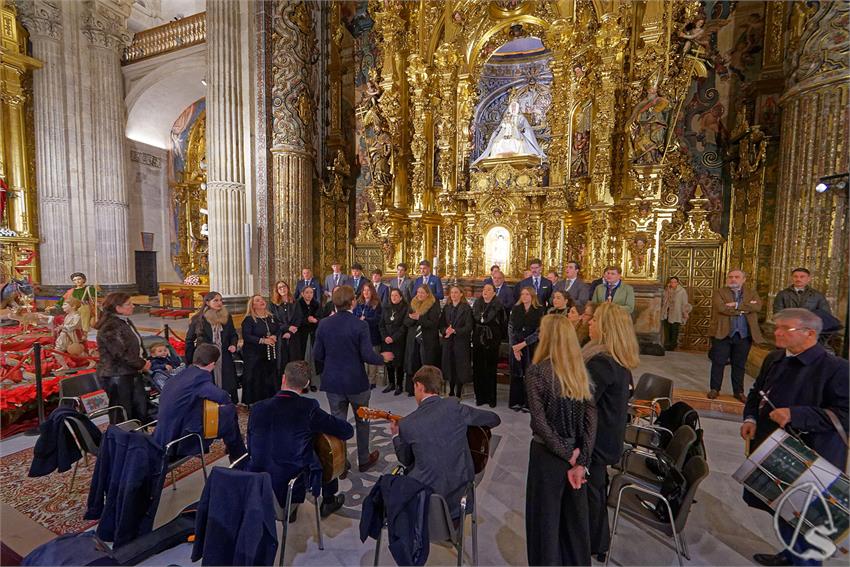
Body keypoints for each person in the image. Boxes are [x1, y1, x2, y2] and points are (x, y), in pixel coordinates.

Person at [741, 308, 848, 567]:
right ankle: (789, 554)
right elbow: (757, 392)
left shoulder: (836, 368)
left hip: (813, 454)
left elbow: (845, 415)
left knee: (807, 519)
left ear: (809, 333)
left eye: (784, 329)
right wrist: (751, 418)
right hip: (775, 447)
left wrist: (796, 414)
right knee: (782, 508)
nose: (776, 333)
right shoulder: (774, 358)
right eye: (776, 327)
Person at [524, 315, 597, 566]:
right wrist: (581, 459)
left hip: (548, 457)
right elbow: (591, 419)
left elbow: (539, 423)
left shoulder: (536, 372)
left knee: (545, 522)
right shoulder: (579, 371)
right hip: (576, 455)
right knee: (573, 524)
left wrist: (566, 453)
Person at [390, 365, 500, 519]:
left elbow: (405, 459)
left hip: (424, 507)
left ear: (419, 386)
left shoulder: (407, 424)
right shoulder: (453, 407)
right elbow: (494, 419)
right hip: (460, 501)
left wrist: (395, 435)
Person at [248, 361, 353, 519]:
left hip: (254, 479)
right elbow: (346, 431)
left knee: (288, 441)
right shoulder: (308, 407)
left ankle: (293, 511)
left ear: (283, 378)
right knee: (326, 446)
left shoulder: (257, 408)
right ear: (306, 384)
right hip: (289, 484)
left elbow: (250, 443)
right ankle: (329, 500)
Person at [582, 302, 640, 562]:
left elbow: (584, 401)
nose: (589, 322)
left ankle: (595, 542)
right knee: (595, 488)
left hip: (597, 441)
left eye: (594, 319)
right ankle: (596, 539)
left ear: (605, 328)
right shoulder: (614, 359)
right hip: (608, 437)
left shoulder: (602, 363)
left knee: (592, 492)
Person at [313, 285, 392, 474]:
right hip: (356, 382)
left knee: (337, 424)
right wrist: (383, 358)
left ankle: (341, 463)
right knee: (363, 421)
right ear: (352, 302)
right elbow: (367, 355)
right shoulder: (360, 325)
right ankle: (363, 460)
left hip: (333, 382)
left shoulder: (324, 324)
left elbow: (317, 354)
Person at [154, 343, 246, 462]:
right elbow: (222, 396)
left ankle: (234, 447)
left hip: (162, 434)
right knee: (229, 411)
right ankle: (238, 456)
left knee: (220, 413)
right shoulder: (199, 378)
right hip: (180, 439)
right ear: (213, 364)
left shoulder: (183, 374)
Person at [708, 269, 763, 402]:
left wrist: (736, 305)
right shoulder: (720, 292)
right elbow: (721, 308)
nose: (733, 279)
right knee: (718, 362)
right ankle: (715, 389)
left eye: (737, 277)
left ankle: (738, 391)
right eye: (730, 277)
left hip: (743, 335)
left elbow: (757, 307)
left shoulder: (752, 293)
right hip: (723, 333)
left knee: (739, 364)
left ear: (743, 279)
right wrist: (743, 310)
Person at [94, 292, 149, 422]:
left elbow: (135, 345)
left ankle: (138, 436)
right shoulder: (110, 326)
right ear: (118, 308)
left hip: (130, 371)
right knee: (122, 412)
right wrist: (141, 364)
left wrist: (143, 360)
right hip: (116, 374)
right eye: (128, 304)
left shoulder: (124, 321)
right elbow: (120, 353)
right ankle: (121, 439)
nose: (133, 306)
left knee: (139, 408)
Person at [185, 291, 239, 404]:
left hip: (224, 354)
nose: (219, 303)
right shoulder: (198, 319)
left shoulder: (227, 316)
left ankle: (227, 403)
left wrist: (233, 344)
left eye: (221, 300)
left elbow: (233, 334)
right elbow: (189, 340)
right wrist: (190, 361)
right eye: (216, 300)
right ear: (208, 302)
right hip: (206, 356)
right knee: (209, 380)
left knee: (227, 380)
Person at [509, 287, 544, 411]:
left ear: (532, 296)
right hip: (516, 346)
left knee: (530, 374)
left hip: (531, 346)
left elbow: (539, 331)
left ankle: (528, 403)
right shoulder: (516, 309)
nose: (524, 296)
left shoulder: (539, 310)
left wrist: (524, 344)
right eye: (522, 294)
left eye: (527, 294)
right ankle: (516, 401)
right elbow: (511, 328)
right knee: (517, 374)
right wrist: (515, 347)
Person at [241, 295, 281, 404]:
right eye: (258, 300)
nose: (262, 301)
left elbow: (278, 329)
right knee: (255, 377)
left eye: (262, 299)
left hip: (269, 353)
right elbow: (247, 336)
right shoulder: (249, 319)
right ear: (253, 305)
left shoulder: (271, 317)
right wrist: (263, 341)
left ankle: (269, 400)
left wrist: (274, 336)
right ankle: (253, 402)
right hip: (254, 354)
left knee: (269, 376)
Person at [403, 284, 442, 395]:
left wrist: (419, 318)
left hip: (427, 339)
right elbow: (406, 322)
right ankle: (413, 389)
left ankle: (428, 390)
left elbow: (434, 323)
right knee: (413, 363)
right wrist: (412, 319)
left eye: (422, 293)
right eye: (418, 292)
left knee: (426, 364)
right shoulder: (412, 303)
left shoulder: (433, 305)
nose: (420, 295)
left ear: (427, 294)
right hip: (413, 339)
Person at [472, 283, 504, 407]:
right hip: (478, 338)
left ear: (494, 293)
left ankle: (491, 398)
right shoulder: (477, 303)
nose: (485, 291)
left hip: (492, 338)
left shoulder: (498, 305)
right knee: (478, 368)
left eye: (489, 289)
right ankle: (480, 397)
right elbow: (475, 317)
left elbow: (502, 324)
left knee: (490, 369)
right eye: (484, 289)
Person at [439, 285, 474, 398]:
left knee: (459, 366)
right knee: (450, 365)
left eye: (456, 292)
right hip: (448, 341)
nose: (453, 295)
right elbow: (441, 324)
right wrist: (446, 330)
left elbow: (469, 326)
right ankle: (451, 390)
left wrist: (455, 331)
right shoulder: (447, 307)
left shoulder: (466, 308)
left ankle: (458, 391)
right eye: (452, 292)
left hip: (461, 342)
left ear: (461, 294)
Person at [354, 282, 383, 389]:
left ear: (372, 292)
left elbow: (377, 319)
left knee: (372, 358)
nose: (366, 292)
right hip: (360, 335)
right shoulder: (359, 302)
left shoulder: (376, 303)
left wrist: (365, 319)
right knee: (362, 358)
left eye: (368, 290)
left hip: (373, 334)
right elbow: (355, 315)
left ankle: (372, 381)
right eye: (364, 290)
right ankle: (363, 378)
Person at [379, 288, 407, 395]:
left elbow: (404, 326)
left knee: (398, 363)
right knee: (388, 362)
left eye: (396, 295)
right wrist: (385, 336)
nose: (394, 298)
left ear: (400, 297)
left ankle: (399, 385)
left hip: (398, 340)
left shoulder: (405, 308)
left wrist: (393, 338)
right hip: (386, 340)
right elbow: (381, 324)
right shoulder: (386, 307)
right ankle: (391, 384)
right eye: (392, 296)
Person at [289, 285, 320, 362]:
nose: (309, 295)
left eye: (311, 292)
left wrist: (316, 320)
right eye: (307, 292)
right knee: (301, 353)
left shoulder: (317, 304)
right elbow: (295, 318)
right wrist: (307, 320)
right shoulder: (297, 304)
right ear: (302, 294)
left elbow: (321, 317)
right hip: (301, 332)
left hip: (314, 332)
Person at [269, 280, 294, 373]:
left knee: (294, 361)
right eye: (280, 288)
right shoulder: (273, 305)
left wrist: (291, 331)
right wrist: (286, 329)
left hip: (293, 335)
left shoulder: (294, 302)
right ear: (277, 290)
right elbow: (274, 321)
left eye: (284, 286)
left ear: (287, 288)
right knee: (282, 362)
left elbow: (298, 317)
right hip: (280, 335)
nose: (282, 289)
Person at [661, 276, 692, 351]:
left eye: (674, 282)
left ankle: (673, 345)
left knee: (674, 330)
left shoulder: (682, 291)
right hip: (667, 313)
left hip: (676, 313)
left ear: (677, 283)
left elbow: (684, 303)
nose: (673, 283)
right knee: (667, 330)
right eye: (671, 282)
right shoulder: (667, 290)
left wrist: (685, 312)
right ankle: (667, 345)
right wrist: (667, 291)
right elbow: (663, 299)